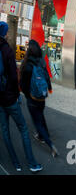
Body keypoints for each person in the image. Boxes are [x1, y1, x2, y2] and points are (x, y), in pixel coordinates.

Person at [0, 22, 42, 172]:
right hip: (10, 98)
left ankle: (15, 163)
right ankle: (32, 164)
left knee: (5, 131)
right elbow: (13, 77)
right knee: (23, 129)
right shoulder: (7, 51)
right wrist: (17, 95)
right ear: (5, 33)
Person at [19, 39, 58, 157]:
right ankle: (43, 135)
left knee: (37, 123)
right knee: (41, 115)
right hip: (42, 97)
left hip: (32, 98)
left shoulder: (27, 65)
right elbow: (46, 77)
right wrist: (49, 89)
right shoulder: (41, 62)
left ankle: (50, 145)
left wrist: (27, 95)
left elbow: (23, 85)